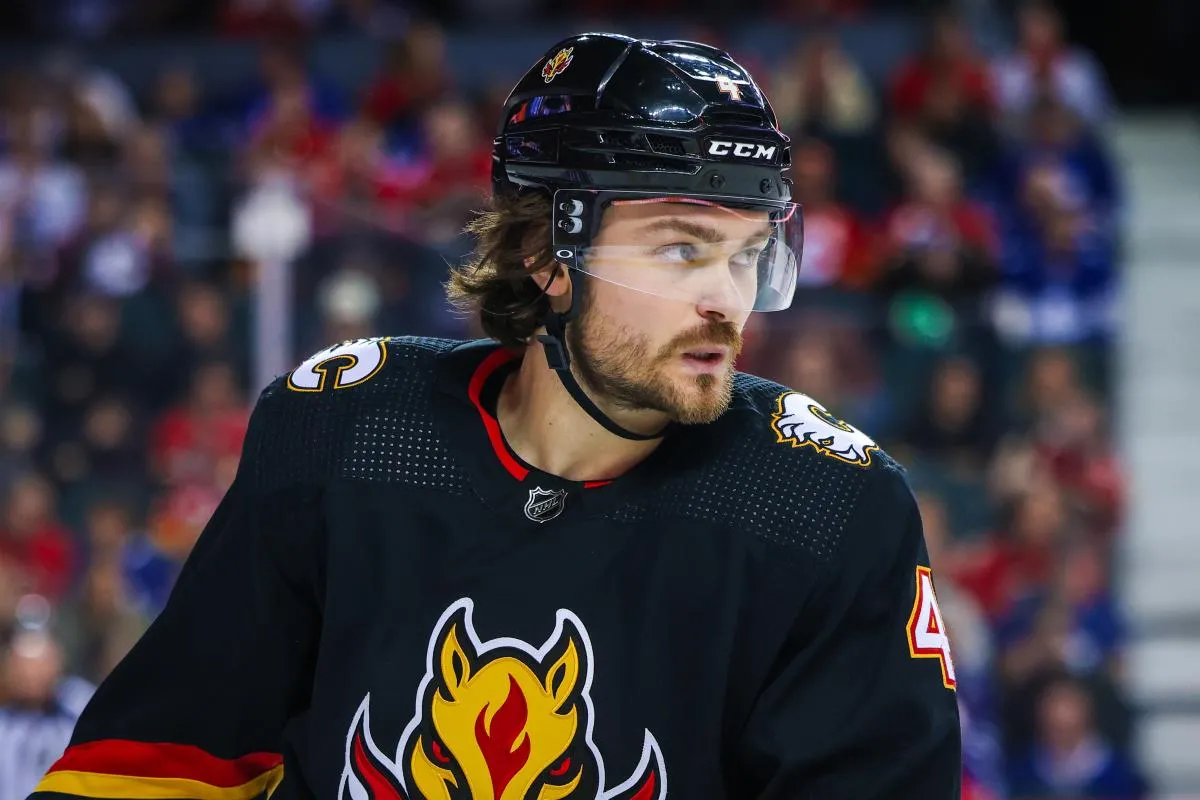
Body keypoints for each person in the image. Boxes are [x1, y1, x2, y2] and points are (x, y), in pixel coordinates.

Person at [29, 34, 960, 799]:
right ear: (542, 254)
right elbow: (155, 766)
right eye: (681, 250)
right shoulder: (344, 431)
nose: (727, 298)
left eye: (747, 253)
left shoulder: (830, 505)